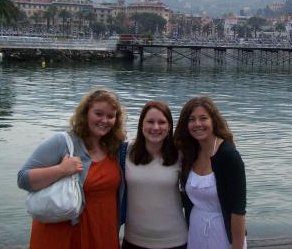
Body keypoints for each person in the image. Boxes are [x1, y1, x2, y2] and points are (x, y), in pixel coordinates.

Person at [17, 89, 127, 249]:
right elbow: (23, 179)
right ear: (85, 114)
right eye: (98, 114)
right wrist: (61, 170)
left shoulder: (115, 148)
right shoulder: (63, 142)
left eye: (110, 116)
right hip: (64, 234)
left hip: (103, 231)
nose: (104, 120)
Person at [174, 96, 246, 249]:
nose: (197, 124)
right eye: (191, 119)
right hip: (196, 230)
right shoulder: (190, 153)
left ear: (213, 121)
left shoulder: (228, 156)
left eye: (203, 118)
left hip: (223, 233)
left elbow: (238, 210)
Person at [122, 100, 187, 249]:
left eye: (162, 122)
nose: (156, 127)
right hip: (133, 240)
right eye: (150, 121)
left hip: (175, 241)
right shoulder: (125, 152)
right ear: (141, 125)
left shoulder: (180, 154)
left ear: (169, 126)